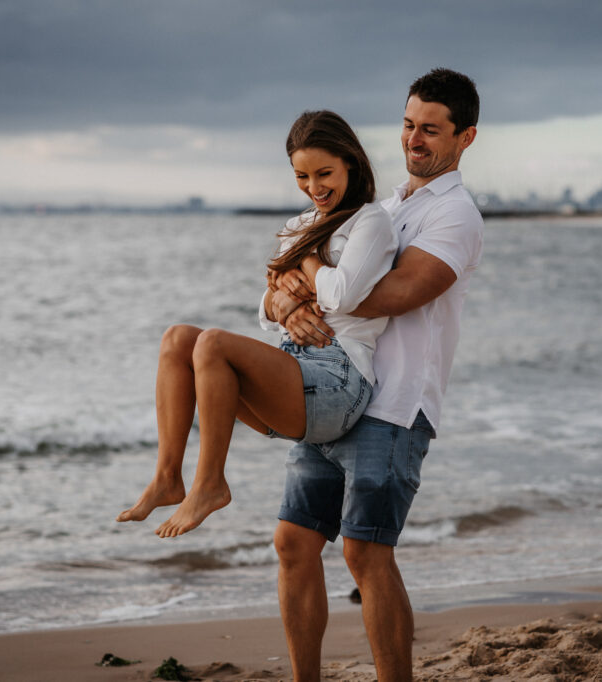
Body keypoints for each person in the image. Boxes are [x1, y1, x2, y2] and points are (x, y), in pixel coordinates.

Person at [266, 68, 482, 682]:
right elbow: (288, 280)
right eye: (409, 125)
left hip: (394, 407)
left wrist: (307, 275)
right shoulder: (380, 209)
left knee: (366, 551)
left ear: (465, 137)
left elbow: (395, 295)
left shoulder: (457, 217)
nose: (414, 140)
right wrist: (284, 300)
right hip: (333, 390)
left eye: (431, 130)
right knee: (293, 544)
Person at [116, 110, 398, 538]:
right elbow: (265, 310)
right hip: (292, 366)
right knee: (178, 339)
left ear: (351, 164)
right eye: (302, 177)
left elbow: (342, 294)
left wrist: (304, 256)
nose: (315, 188)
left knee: (211, 342)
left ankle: (210, 483)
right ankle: (168, 477)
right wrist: (285, 305)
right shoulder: (297, 225)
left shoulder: (370, 223)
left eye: (325, 174)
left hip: (340, 381)